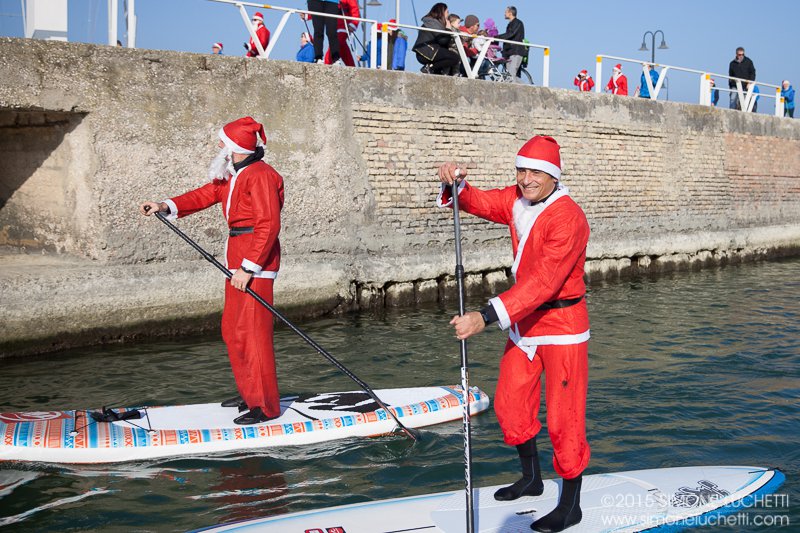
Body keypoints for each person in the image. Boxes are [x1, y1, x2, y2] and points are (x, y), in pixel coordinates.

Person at [436, 135, 590, 533]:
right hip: (525, 324)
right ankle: (532, 478)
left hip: (562, 329)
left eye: (535, 172)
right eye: (521, 170)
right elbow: (481, 202)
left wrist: (484, 317)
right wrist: (458, 185)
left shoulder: (568, 217)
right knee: (510, 405)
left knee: (563, 419)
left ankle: (570, 505)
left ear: (553, 176)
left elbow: (543, 282)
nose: (525, 179)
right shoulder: (517, 200)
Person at [138, 117, 285, 426]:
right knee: (233, 330)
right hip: (237, 261)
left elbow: (268, 224)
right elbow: (205, 195)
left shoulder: (260, 175)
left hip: (254, 266)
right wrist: (165, 205)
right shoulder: (234, 175)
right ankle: (250, 394)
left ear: (236, 147)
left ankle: (266, 406)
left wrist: (249, 268)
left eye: (224, 143)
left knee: (254, 334)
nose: (219, 147)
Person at [412, 3, 460, 75]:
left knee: (449, 58)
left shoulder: (434, 22)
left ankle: (431, 69)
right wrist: (448, 29)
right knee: (454, 58)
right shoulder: (432, 23)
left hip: (429, 51)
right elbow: (443, 41)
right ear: (442, 12)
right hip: (426, 52)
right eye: (447, 12)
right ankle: (429, 68)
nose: (448, 15)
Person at [323, 0, 360, 66]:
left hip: (343, 25)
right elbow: (320, 8)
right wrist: (307, 16)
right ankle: (352, 67)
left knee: (336, 44)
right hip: (333, 25)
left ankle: (327, 63)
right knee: (343, 48)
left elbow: (354, 8)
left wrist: (354, 23)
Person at [495, 6, 525, 83]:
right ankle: (528, 89)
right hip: (509, 53)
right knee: (510, 76)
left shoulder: (518, 23)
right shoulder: (511, 24)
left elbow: (510, 34)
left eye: (506, 12)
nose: (504, 14)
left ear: (510, 13)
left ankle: (527, 89)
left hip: (516, 52)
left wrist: (497, 37)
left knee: (511, 75)